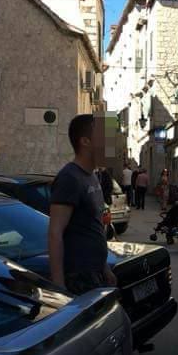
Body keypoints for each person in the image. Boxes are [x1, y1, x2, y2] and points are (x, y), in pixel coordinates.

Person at [48, 114, 117, 295]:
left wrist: (104, 267)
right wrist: (59, 286)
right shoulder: (69, 178)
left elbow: (94, 226)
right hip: (79, 277)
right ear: (85, 141)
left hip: (95, 273)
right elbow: (55, 233)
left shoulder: (93, 176)